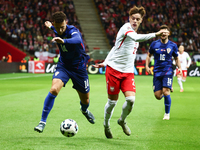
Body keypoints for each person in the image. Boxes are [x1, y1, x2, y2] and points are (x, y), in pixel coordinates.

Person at [92, 6, 168, 139]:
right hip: (113, 71)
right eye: (133, 18)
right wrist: (156, 34)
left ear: (141, 21)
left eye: (137, 19)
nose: (134, 21)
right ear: (129, 18)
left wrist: (105, 60)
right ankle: (106, 125)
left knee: (131, 99)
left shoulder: (134, 34)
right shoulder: (126, 28)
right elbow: (137, 38)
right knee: (112, 102)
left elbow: (115, 47)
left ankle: (122, 120)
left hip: (127, 72)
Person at [34, 11, 95, 133]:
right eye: (57, 28)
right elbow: (54, 27)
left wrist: (64, 41)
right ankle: (42, 122)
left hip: (79, 68)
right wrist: (50, 26)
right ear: (54, 25)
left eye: (62, 27)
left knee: (85, 100)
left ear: (66, 22)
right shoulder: (56, 28)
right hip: (64, 66)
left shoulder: (73, 30)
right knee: (54, 89)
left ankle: (84, 111)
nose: (60, 30)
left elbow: (77, 40)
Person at [145, 25, 182, 121]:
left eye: (166, 32)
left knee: (165, 92)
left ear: (168, 33)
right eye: (162, 32)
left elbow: (176, 58)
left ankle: (167, 113)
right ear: (160, 33)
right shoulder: (154, 44)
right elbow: (149, 55)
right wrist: (147, 66)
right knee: (158, 96)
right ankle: (168, 87)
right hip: (157, 71)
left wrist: (180, 68)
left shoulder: (173, 45)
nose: (164, 33)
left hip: (168, 71)